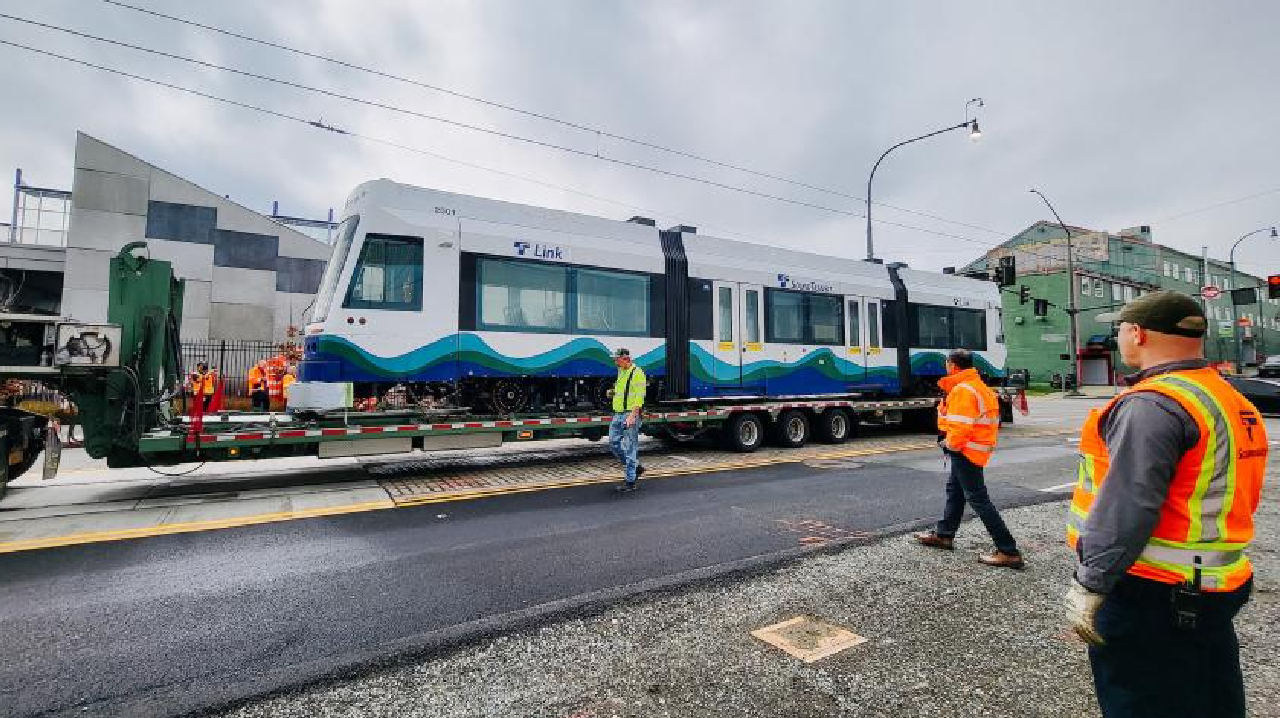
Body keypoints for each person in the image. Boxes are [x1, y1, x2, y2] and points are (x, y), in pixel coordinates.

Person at [1064, 291, 1267, 718]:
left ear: (1137, 333)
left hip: (1154, 591)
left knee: (1143, 702)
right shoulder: (1227, 398)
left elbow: (1127, 506)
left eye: (1120, 330)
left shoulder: (1151, 404)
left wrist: (1091, 583)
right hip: (1214, 583)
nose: (1120, 338)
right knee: (1210, 699)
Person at [913, 348, 1024, 568]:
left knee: (978, 499)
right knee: (955, 492)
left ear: (953, 365)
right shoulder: (978, 386)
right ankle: (944, 535)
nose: (945, 366)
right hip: (974, 449)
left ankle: (1008, 550)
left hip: (965, 450)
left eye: (947, 363)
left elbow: (960, 426)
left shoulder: (962, 390)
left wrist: (949, 444)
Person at [608, 348, 647, 493]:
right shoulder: (621, 371)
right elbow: (623, 391)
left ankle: (630, 481)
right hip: (618, 414)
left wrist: (632, 415)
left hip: (630, 415)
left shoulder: (637, 373)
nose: (615, 362)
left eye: (617, 359)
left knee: (630, 447)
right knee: (613, 443)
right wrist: (613, 393)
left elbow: (639, 397)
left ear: (626, 359)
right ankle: (636, 466)